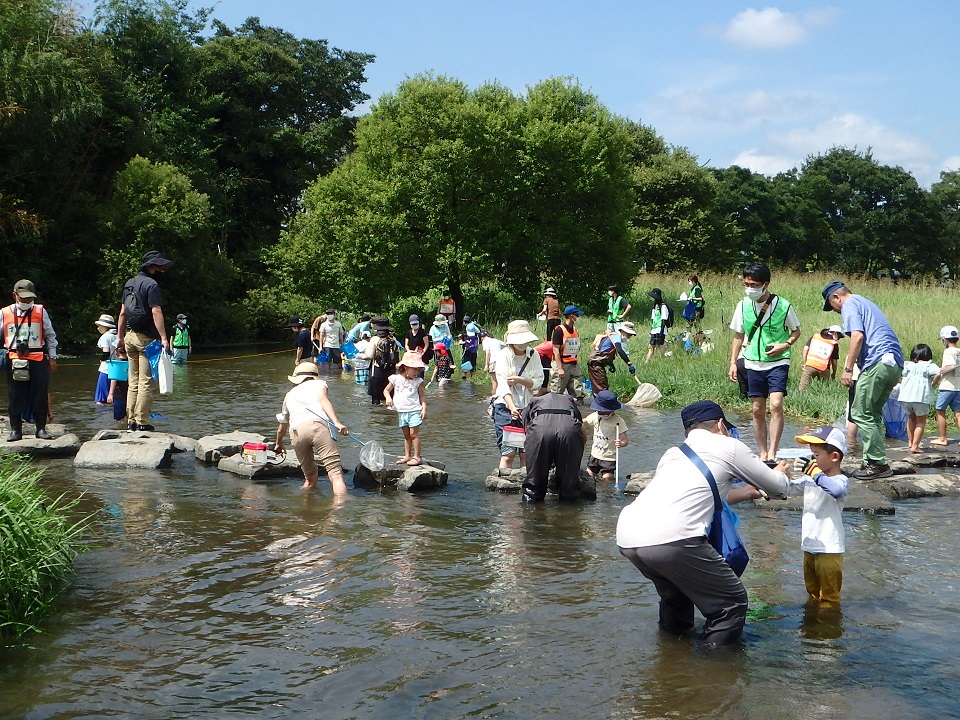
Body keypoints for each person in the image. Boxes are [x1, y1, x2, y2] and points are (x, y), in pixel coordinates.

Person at [616, 400, 791, 649]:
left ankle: (672, 659)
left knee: (676, 597)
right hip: (673, 540)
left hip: (629, 536)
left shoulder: (673, 453)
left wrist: (747, 493)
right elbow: (777, 488)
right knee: (731, 602)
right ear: (720, 425)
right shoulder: (728, 445)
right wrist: (782, 474)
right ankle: (712, 673)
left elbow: (702, 495)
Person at [822, 280, 903, 479]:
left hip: (877, 362)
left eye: (832, 306)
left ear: (836, 297)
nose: (835, 311)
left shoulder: (849, 305)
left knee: (859, 412)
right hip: (894, 364)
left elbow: (857, 336)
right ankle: (872, 461)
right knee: (873, 413)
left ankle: (878, 464)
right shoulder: (865, 302)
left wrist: (847, 369)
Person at [729, 263, 801, 463]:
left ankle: (773, 453)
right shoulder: (743, 305)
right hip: (752, 362)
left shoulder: (783, 305)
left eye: (754, 284)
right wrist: (733, 362)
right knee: (757, 409)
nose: (750, 288)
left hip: (778, 361)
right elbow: (738, 335)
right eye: (746, 284)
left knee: (776, 405)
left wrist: (785, 345)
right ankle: (762, 452)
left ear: (766, 284)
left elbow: (796, 331)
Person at [791, 426, 850, 607]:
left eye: (815, 456)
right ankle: (811, 629)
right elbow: (788, 488)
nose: (811, 461)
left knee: (829, 598)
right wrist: (768, 484)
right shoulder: (810, 480)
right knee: (813, 593)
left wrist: (814, 472)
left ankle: (828, 632)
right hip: (809, 545)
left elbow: (836, 491)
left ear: (834, 457)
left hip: (829, 549)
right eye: (811, 456)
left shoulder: (840, 480)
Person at [116, 250, 172, 432]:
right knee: (146, 381)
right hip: (147, 339)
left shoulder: (129, 283)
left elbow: (123, 312)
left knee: (133, 381)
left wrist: (119, 337)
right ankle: (142, 422)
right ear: (151, 267)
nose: (162, 269)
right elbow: (156, 311)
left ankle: (131, 421)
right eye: (159, 266)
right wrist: (164, 337)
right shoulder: (151, 284)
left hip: (130, 336)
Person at [274, 361, 350, 494]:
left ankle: (305, 509)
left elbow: (282, 425)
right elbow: (322, 399)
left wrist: (279, 443)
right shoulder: (319, 384)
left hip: (297, 432)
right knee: (336, 475)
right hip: (318, 427)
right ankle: (339, 512)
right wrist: (336, 422)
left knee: (309, 479)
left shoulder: (289, 395)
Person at [3, 279, 59, 441]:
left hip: (38, 358)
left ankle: (40, 429)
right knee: (15, 395)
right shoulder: (4, 313)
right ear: (15, 295)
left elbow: (50, 335)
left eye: (30, 299)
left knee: (39, 394)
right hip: (14, 358)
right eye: (23, 298)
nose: (27, 302)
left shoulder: (41, 311)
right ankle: (15, 430)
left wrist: (52, 357)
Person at [491, 320, 544, 474]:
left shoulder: (534, 355)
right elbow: (502, 384)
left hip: (527, 407)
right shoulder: (503, 356)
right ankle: (502, 481)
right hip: (504, 407)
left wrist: (520, 380)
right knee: (508, 452)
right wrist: (512, 407)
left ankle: (525, 481)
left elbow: (538, 383)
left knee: (525, 451)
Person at [521, 392, 586, 503]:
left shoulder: (533, 402)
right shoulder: (570, 403)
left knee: (534, 480)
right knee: (569, 482)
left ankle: (531, 506)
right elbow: (581, 431)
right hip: (569, 432)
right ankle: (569, 510)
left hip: (540, 430)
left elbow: (527, 432)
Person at [384, 352, 428, 466]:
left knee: (414, 434)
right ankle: (407, 455)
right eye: (415, 369)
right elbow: (386, 390)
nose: (417, 372)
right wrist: (388, 398)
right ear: (406, 367)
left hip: (414, 410)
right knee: (406, 435)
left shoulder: (418, 382)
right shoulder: (396, 379)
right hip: (402, 411)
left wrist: (424, 408)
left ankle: (417, 457)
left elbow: (422, 396)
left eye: (418, 370)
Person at [898, 344, 938, 454]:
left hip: (906, 396)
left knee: (911, 419)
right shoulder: (929, 365)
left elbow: (899, 374)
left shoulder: (908, 365)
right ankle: (915, 446)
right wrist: (934, 383)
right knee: (921, 422)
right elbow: (938, 373)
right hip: (920, 397)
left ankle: (910, 442)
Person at [583, 390, 628, 481]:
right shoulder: (595, 416)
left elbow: (625, 440)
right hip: (595, 455)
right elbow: (584, 422)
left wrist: (621, 443)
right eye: (600, 412)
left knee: (607, 478)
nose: (602, 414)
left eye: (605, 412)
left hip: (609, 457)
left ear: (612, 410)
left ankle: (606, 493)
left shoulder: (618, 421)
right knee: (589, 475)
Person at [587, 321, 637, 393]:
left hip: (598, 363)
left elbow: (606, 351)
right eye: (629, 334)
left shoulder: (613, 336)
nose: (629, 337)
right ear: (623, 331)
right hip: (595, 363)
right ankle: (600, 403)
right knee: (602, 387)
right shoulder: (616, 336)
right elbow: (620, 350)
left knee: (601, 386)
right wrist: (629, 364)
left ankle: (599, 402)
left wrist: (610, 364)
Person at [932, 325, 960, 447]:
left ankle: (943, 438)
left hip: (947, 387)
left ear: (945, 340)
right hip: (958, 387)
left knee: (940, 411)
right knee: (958, 413)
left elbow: (950, 366)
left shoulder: (948, 351)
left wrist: (937, 371)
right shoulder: (959, 352)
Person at [550, 305, 585, 400]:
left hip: (573, 364)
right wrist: (560, 368)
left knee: (578, 391)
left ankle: (577, 409)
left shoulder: (574, 330)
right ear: (571, 316)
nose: (578, 317)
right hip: (562, 364)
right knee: (557, 392)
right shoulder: (559, 330)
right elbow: (555, 350)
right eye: (577, 315)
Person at [365, 319, 400, 405]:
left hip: (377, 371)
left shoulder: (374, 339)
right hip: (391, 371)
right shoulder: (393, 339)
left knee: (376, 400)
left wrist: (358, 356)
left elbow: (369, 355)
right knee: (388, 398)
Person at [798, 325, 843, 391]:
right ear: (835, 333)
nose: (838, 339)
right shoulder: (834, 343)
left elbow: (805, 349)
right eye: (839, 337)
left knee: (802, 389)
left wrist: (805, 364)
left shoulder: (815, 336)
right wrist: (834, 373)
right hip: (824, 368)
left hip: (810, 365)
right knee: (824, 391)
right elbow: (834, 362)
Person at [94, 313, 118, 405]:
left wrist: (102, 360)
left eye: (99, 326)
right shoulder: (117, 336)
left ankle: (101, 417)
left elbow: (106, 352)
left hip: (106, 369)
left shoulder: (105, 337)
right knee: (113, 398)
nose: (98, 328)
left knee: (100, 400)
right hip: (117, 370)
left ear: (105, 326)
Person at [645, 288, 671, 363]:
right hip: (654, 329)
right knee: (651, 346)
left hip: (660, 329)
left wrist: (661, 332)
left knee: (660, 345)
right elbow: (653, 319)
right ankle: (647, 362)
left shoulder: (663, 306)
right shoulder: (654, 307)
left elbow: (664, 319)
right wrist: (651, 330)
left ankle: (662, 359)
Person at [459, 315, 480, 380]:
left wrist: (466, 342)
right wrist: (466, 342)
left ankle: (470, 379)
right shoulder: (466, 335)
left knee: (471, 366)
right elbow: (460, 342)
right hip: (469, 352)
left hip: (470, 352)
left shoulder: (473, 335)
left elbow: (460, 342)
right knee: (467, 366)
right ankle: (466, 379)